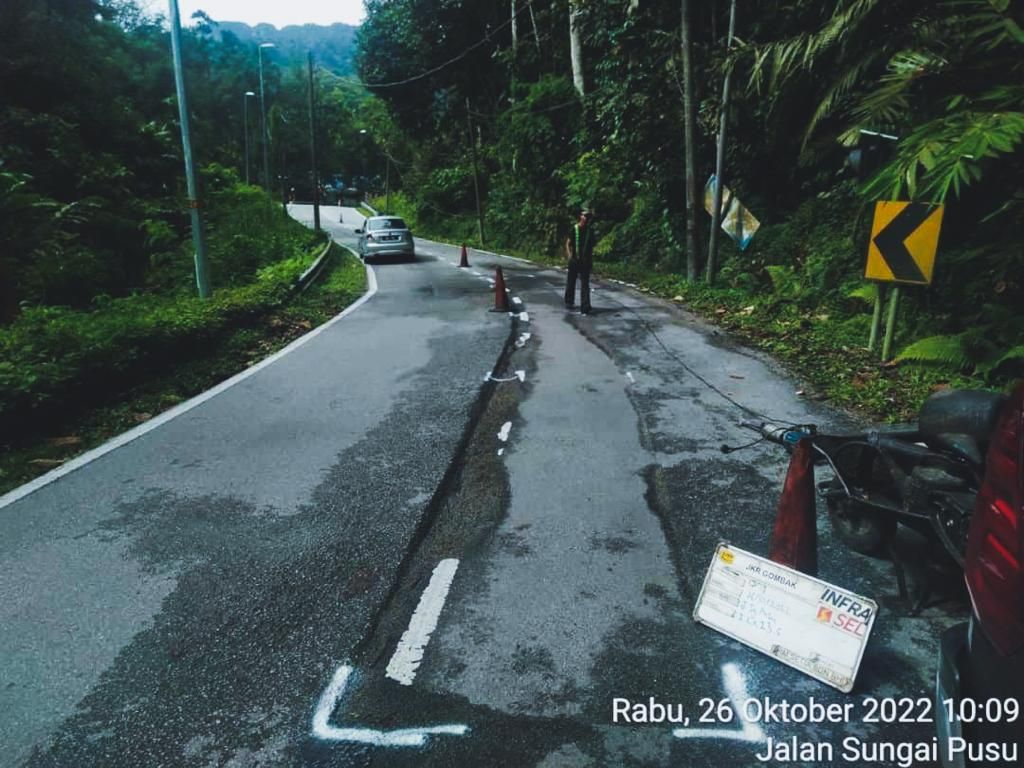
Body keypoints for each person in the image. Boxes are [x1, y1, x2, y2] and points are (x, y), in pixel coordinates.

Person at [564, 208, 596, 314]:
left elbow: (592, 246)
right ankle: (569, 301)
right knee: (571, 281)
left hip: (585, 260)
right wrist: (569, 255)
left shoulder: (590, 231)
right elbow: (568, 243)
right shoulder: (574, 229)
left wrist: (590, 259)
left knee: (585, 284)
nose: (586, 218)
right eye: (585, 216)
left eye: (588, 217)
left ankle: (585, 306)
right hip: (575, 259)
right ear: (580, 216)